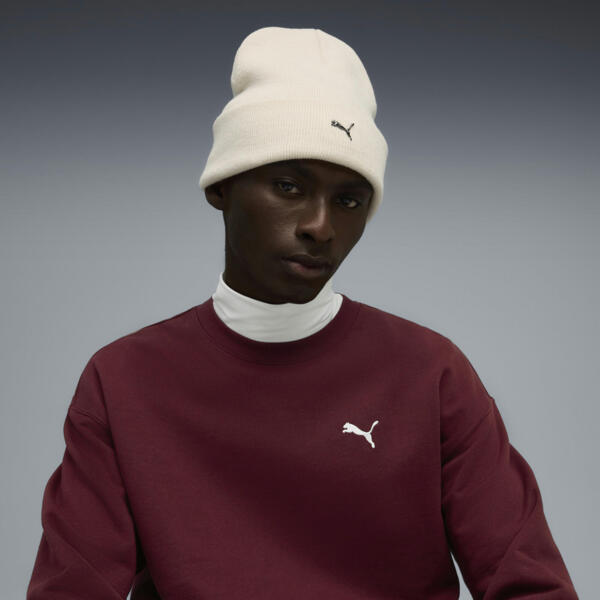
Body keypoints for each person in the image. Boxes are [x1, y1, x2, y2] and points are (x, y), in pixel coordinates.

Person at [26, 26, 579, 599]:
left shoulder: (431, 375)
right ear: (221, 187)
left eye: (349, 200)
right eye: (289, 186)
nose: (320, 226)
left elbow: (531, 585)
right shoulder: (124, 381)